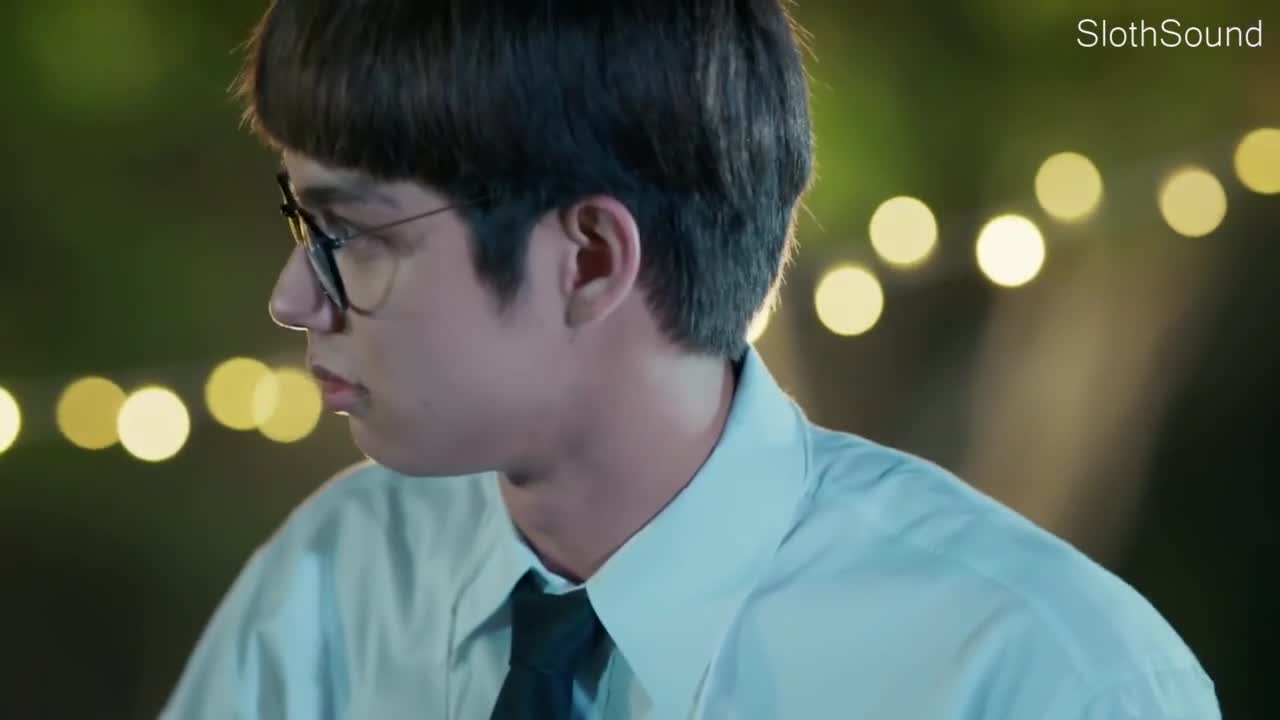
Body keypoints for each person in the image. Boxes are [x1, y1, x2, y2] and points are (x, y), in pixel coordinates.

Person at [162, 1, 1220, 718]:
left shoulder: (1038, 673)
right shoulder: (336, 581)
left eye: (352, 232)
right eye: (302, 219)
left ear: (588, 259)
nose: (292, 299)